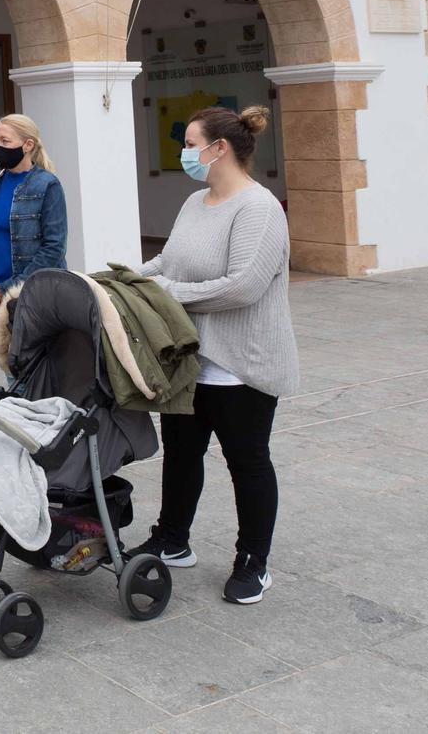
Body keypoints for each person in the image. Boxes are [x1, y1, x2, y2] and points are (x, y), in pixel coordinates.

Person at [130, 106, 298, 607]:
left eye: (190, 142)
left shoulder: (259, 209)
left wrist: (166, 293)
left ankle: (253, 561)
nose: (185, 152)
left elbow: (243, 286)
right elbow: (169, 259)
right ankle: (172, 538)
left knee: (247, 462)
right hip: (190, 361)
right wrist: (131, 281)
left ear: (218, 148)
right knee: (181, 455)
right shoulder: (194, 201)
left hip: (242, 363)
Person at [0, 114, 69, 394]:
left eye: (6, 141)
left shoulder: (47, 185)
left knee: (33, 365)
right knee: (10, 366)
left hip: (31, 293)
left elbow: (54, 247)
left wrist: (9, 287)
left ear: (27, 145)